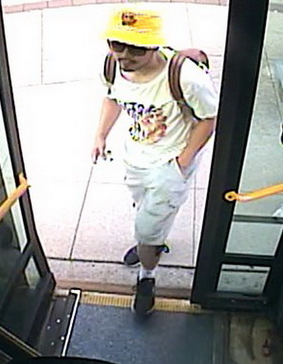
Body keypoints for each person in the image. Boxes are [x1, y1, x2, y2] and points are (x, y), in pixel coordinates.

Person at [91, 7, 218, 317]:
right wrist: (100, 135)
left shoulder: (185, 76)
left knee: (147, 228)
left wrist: (181, 162)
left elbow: (209, 118)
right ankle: (152, 240)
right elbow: (112, 97)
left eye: (136, 47)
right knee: (143, 209)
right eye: (117, 44)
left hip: (169, 165)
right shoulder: (111, 65)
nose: (125, 54)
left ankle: (146, 277)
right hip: (135, 157)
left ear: (155, 46)